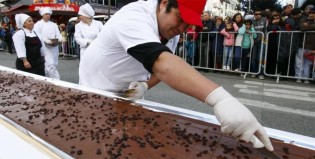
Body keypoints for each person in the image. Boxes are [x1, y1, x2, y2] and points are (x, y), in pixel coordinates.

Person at [79, 0, 274, 152]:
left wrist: (145, 85)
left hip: (129, 90)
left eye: (188, 24)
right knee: (97, 142)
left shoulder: (171, 30)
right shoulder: (134, 16)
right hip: (97, 88)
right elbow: (162, 63)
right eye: (180, 19)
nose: (182, 29)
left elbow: (163, 68)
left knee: (127, 142)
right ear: (164, 3)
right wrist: (219, 98)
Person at [34, 7, 61, 79]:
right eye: (46, 14)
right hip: (45, 47)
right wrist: (45, 40)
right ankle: (57, 80)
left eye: (49, 14)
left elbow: (58, 34)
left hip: (54, 47)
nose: (48, 16)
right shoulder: (38, 24)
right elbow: (38, 35)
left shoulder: (54, 24)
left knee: (53, 64)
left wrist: (60, 39)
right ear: (42, 15)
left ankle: (45, 78)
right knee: (50, 64)